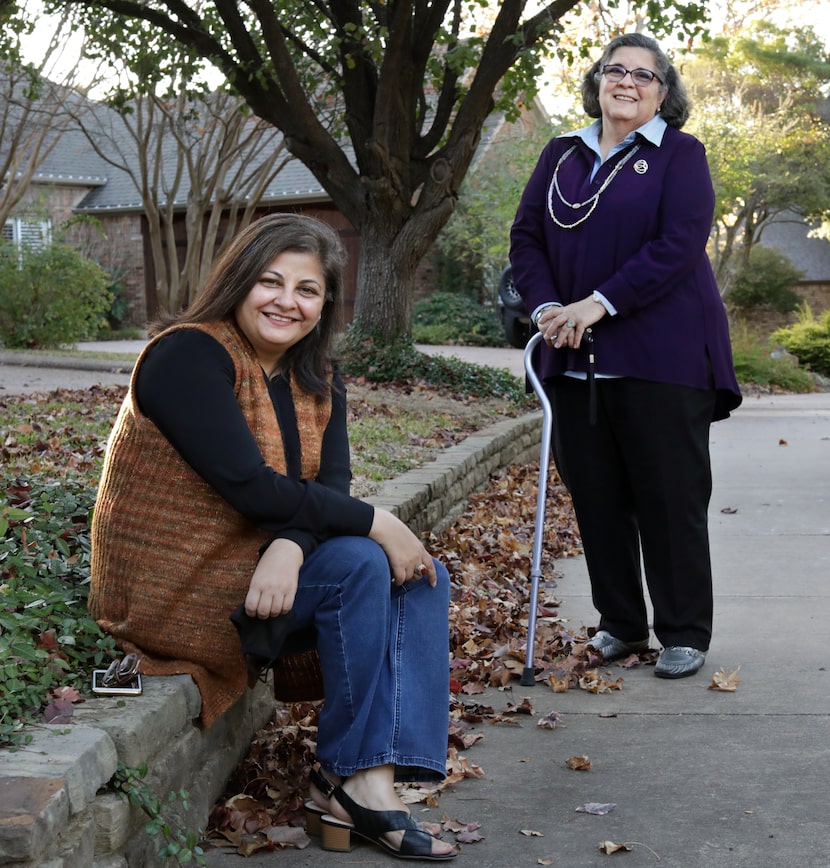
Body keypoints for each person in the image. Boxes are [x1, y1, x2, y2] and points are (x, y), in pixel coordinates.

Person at [88, 213, 457, 860]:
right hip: (175, 590)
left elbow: (330, 495)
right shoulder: (188, 355)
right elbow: (251, 487)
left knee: (419, 575)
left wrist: (291, 546)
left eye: (307, 289)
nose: (288, 301)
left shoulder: (320, 381)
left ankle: (364, 778)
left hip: (262, 575)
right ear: (238, 282)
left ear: (325, 303)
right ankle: (351, 783)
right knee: (366, 560)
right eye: (270, 281)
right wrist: (379, 521)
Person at [510, 33, 742, 680]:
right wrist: (548, 308)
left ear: (663, 94)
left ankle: (684, 631)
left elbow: (678, 244)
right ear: (599, 81)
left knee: (669, 497)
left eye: (645, 75)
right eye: (617, 70)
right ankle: (621, 624)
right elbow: (526, 237)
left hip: (662, 358)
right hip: (574, 360)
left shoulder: (680, 156)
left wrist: (597, 303)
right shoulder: (561, 154)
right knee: (597, 496)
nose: (628, 82)